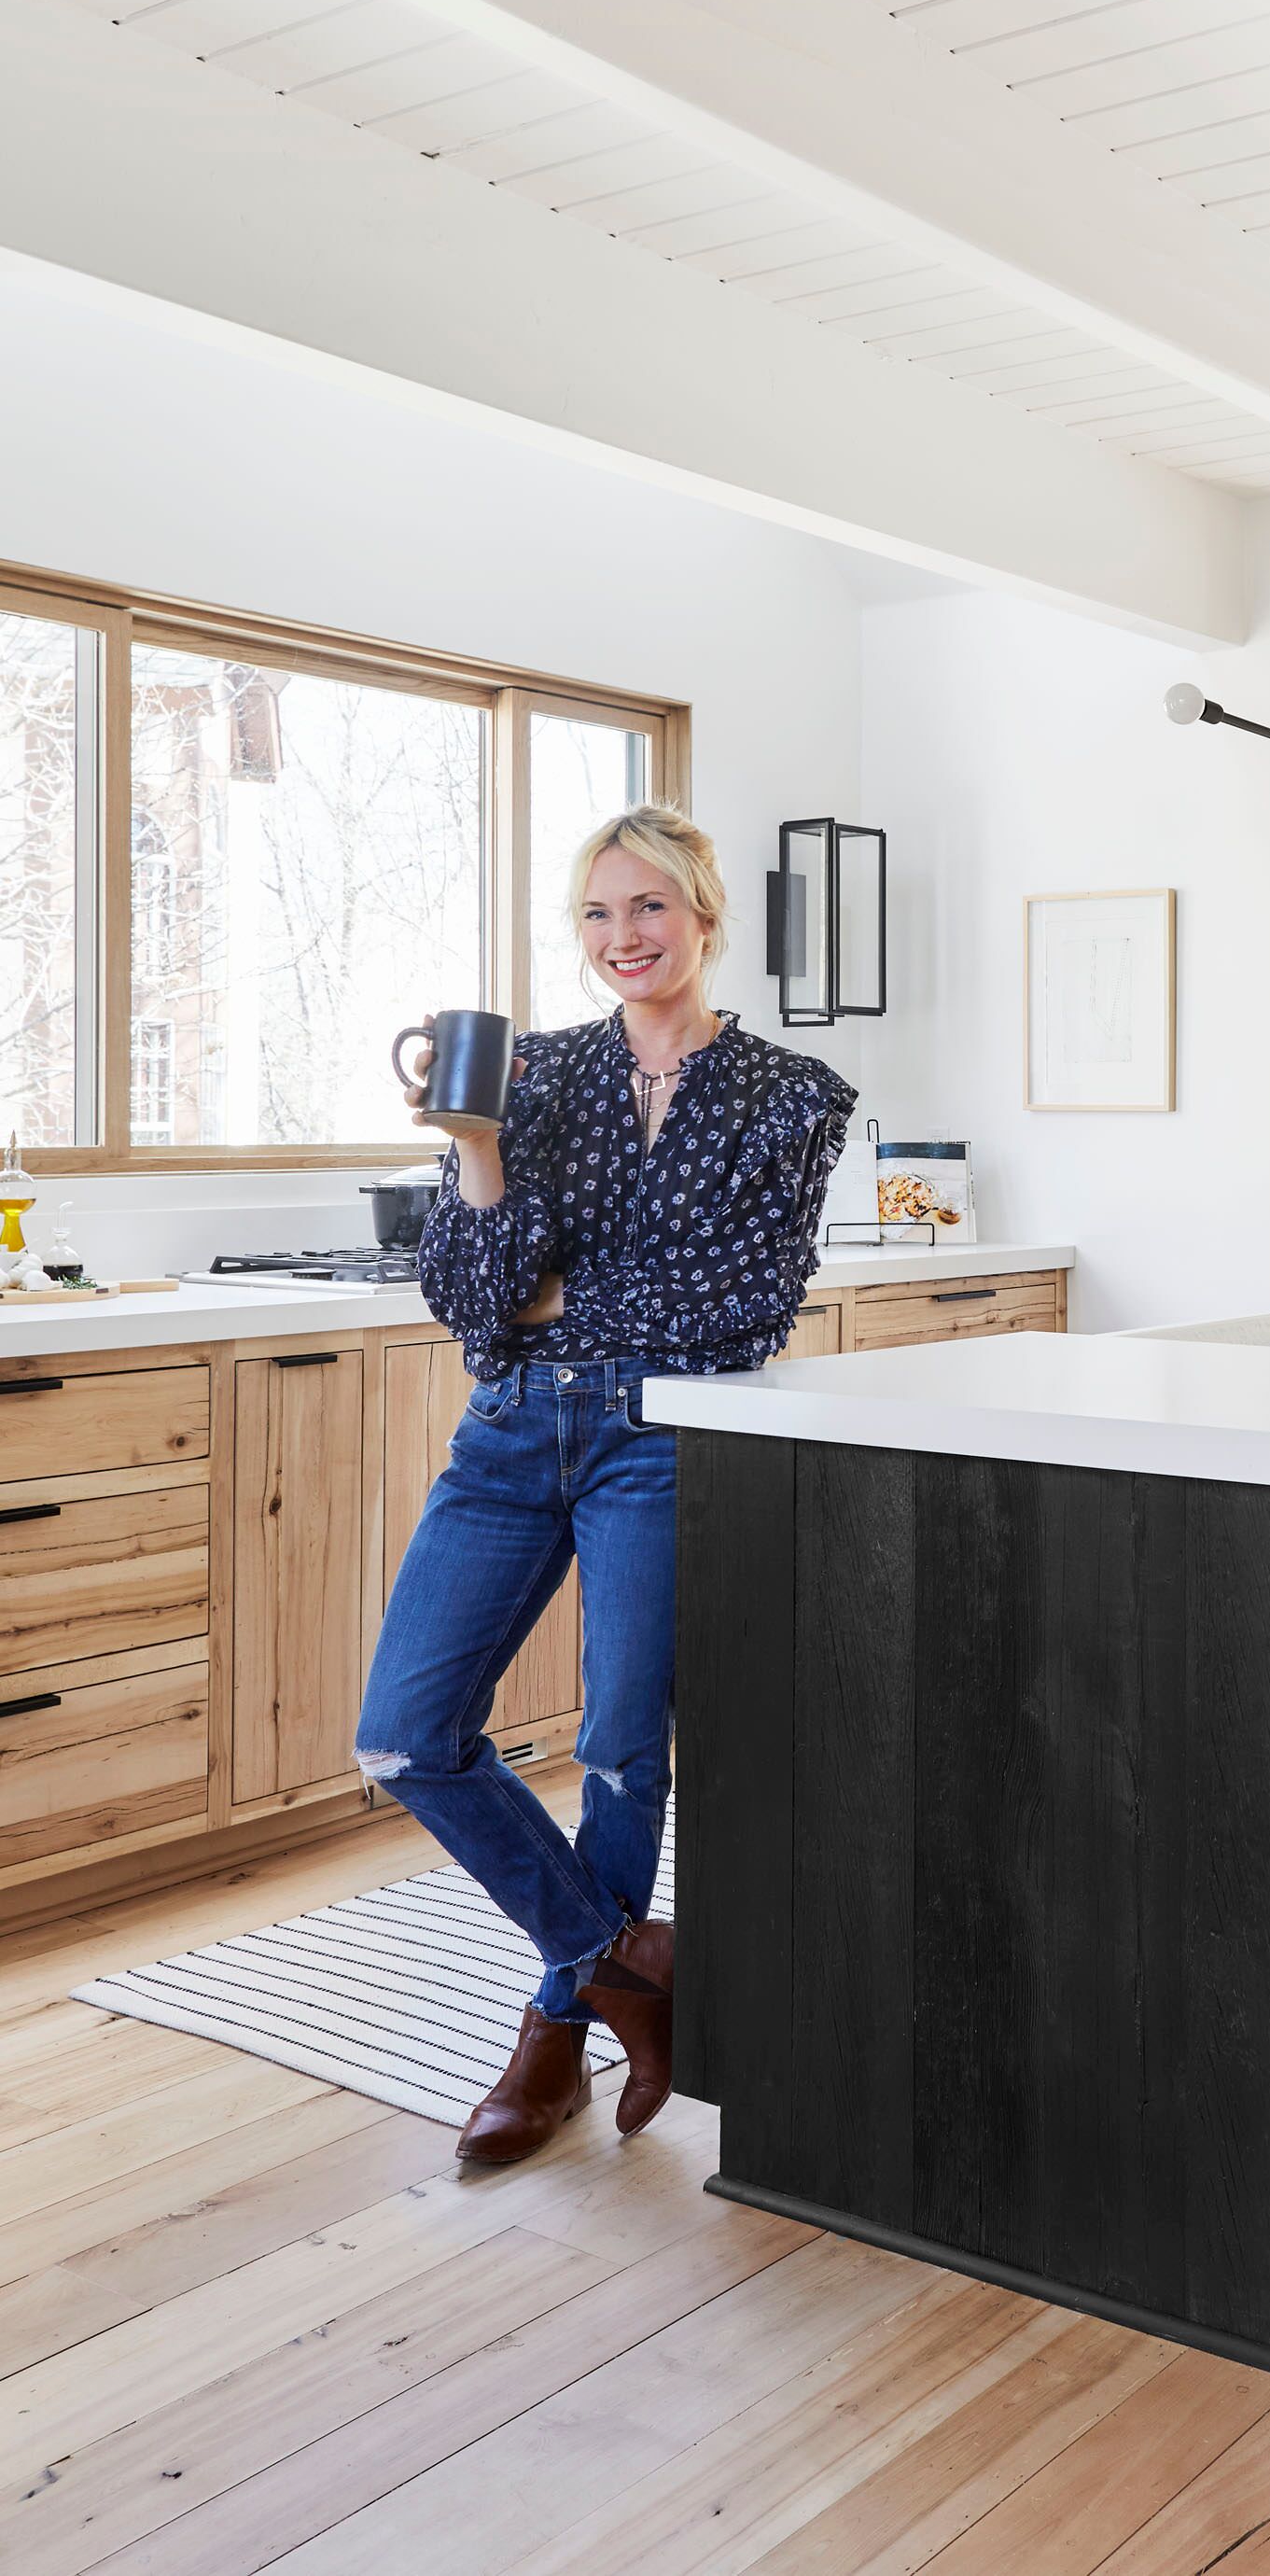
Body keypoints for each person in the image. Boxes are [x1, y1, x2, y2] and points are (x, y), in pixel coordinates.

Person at [355, 803, 853, 2167]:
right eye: (596, 914)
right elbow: (465, 1291)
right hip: (511, 1429)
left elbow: (744, 1306)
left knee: (626, 1751)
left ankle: (551, 2041)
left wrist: (553, 1291)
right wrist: (474, 1142)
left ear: (703, 915)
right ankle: (626, 1966)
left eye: (647, 907)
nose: (622, 936)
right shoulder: (531, 1074)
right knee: (404, 1732)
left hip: (661, 1437)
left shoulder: (791, 1097)